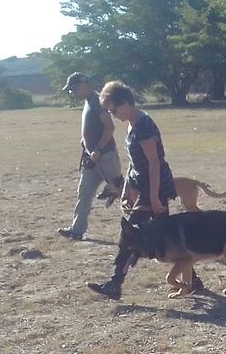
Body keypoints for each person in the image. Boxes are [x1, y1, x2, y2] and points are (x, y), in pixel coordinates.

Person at [86, 81, 203, 299]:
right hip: (144, 188)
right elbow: (134, 162)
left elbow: (154, 163)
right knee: (166, 237)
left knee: (129, 235)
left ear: (126, 102)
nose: (113, 115)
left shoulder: (144, 125)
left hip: (154, 188)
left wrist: (155, 198)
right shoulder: (132, 124)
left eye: (114, 110)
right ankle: (193, 280)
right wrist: (126, 189)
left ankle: (114, 283)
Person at [58, 72, 124, 241]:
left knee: (120, 192)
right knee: (84, 193)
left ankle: (143, 225)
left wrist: (98, 150)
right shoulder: (89, 102)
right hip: (91, 158)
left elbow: (109, 127)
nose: (72, 93)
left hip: (105, 156)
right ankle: (77, 230)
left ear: (83, 84)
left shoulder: (97, 100)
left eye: (73, 89)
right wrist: (86, 142)